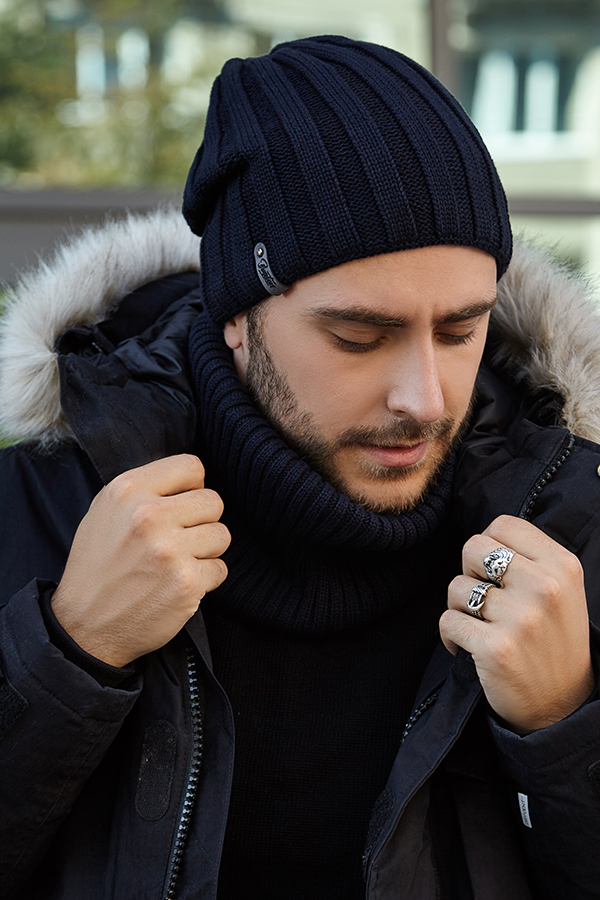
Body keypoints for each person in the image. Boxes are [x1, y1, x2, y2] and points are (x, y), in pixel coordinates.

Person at [1, 34, 599, 900]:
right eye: (359, 336)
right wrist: (68, 656)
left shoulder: (572, 524)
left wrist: (565, 727)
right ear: (237, 316)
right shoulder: (40, 508)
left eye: (460, 331)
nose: (425, 398)